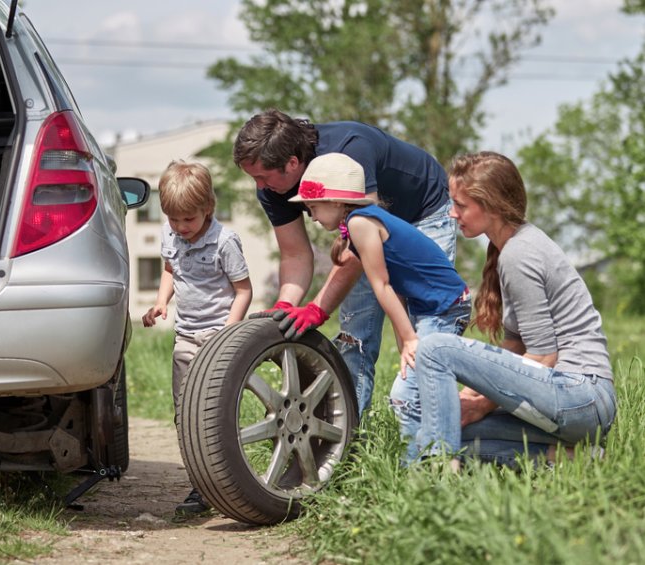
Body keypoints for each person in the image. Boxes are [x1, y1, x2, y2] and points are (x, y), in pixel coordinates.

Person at [234, 109, 454, 418]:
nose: (258, 186)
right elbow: (296, 254)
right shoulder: (273, 186)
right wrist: (285, 307)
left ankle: (430, 439)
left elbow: (364, 237)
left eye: (261, 176)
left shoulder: (351, 150)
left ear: (292, 164)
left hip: (423, 214)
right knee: (354, 336)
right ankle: (348, 440)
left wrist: (318, 308)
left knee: (425, 333)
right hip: (363, 236)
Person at [414, 151, 617, 468]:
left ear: (491, 205)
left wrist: (482, 404)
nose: (453, 214)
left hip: (580, 396)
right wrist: (469, 398)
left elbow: (543, 358)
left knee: (434, 348)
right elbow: (515, 345)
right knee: (457, 434)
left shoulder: (519, 254)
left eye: (462, 205)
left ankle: (435, 470)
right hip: (575, 404)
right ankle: (570, 458)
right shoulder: (512, 246)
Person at [290, 153, 471, 462]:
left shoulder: (361, 223)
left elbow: (382, 286)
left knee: (404, 395)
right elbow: (398, 287)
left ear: (335, 201)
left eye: (313, 207)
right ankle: (426, 463)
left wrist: (411, 340)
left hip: (444, 309)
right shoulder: (362, 220)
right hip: (439, 308)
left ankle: (428, 467)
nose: (312, 216)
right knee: (416, 387)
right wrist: (406, 340)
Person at [142, 160, 253, 513]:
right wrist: (161, 302)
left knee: (214, 413)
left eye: (188, 219)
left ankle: (228, 482)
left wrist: (228, 333)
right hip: (186, 337)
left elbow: (244, 291)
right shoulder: (169, 234)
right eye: (173, 219)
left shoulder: (225, 242)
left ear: (208, 208)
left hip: (218, 337)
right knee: (184, 413)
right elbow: (170, 269)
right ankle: (199, 488)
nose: (180, 227)